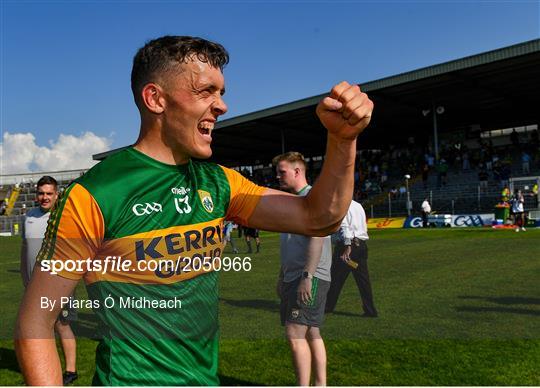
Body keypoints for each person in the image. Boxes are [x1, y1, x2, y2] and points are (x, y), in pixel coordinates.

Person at [14, 35, 374, 386]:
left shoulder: (219, 183)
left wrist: (343, 141)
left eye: (221, 93)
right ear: (155, 99)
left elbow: (319, 217)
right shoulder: (94, 194)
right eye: (205, 91)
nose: (221, 106)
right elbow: (35, 323)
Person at [274, 152, 332, 386]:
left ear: (298, 171)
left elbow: (317, 239)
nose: (277, 176)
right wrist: (282, 276)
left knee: (294, 334)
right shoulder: (293, 200)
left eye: (282, 172)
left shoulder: (312, 198)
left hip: (308, 276)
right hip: (294, 276)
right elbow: (290, 243)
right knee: (312, 333)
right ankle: (320, 384)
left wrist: (306, 277)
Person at [19, 176, 78, 385]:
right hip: (33, 286)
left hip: (59, 285)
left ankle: (71, 370)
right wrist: (25, 278)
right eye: (41, 193)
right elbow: (25, 250)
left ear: (56, 195)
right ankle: (46, 369)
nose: (44, 197)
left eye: (49, 193)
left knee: (63, 325)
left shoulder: (65, 217)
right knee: (38, 327)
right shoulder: (28, 217)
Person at [325, 199, 377, 317]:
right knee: (363, 280)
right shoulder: (358, 205)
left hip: (347, 246)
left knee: (336, 277)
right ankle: (370, 310)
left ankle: (328, 306)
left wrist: (347, 246)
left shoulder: (341, 205)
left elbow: (344, 226)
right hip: (361, 245)